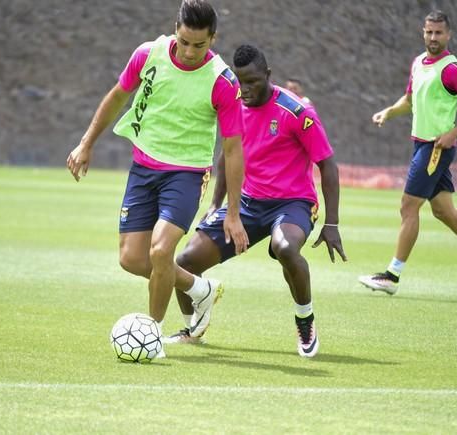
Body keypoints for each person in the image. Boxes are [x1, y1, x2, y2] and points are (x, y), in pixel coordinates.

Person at [66, 0, 249, 351]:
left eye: (200, 44)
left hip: (187, 173)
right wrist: (86, 143)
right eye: (184, 41)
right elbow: (118, 96)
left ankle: (152, 335)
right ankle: (200, 289)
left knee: (162, 251)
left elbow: (232, 149)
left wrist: (234, 212)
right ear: (175, 29)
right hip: (143, 169)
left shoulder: (223, 82)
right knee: (132, 259)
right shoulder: (148, 54)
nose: (190, 51)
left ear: (214, 38)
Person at [166, 44, 346, 358]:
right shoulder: (234, 106)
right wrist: (216, 204)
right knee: (183, 262)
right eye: (240, 81)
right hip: (247, 204)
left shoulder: (296, 111)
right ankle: (193, 325)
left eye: (252, 81)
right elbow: (226, 155)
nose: (245, 89)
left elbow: (327, 165)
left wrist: (331, 223)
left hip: (294, 203)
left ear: (268, 75)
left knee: (286, 248)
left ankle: (305, 320)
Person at [358, 11, 457, 296]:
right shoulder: (418, 62)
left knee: (408, 206)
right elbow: (410, 100)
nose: (433, 37)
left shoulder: (454, 69)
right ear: (422, 32)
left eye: (438, 33)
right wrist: (389, 111)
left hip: (436, 148)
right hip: (421, 145)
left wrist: (454, 133)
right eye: (429, 32)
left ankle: (392, 275)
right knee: (443, 211)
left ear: (448, 35)